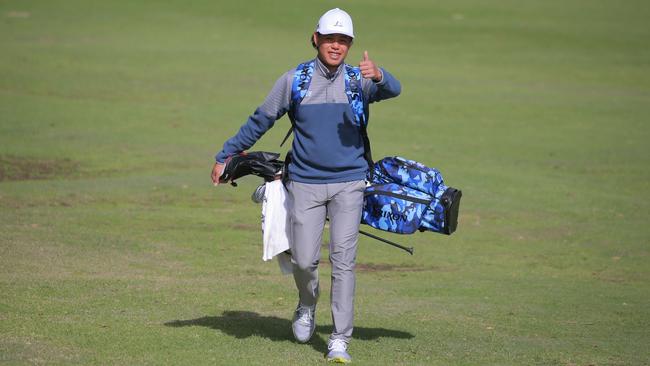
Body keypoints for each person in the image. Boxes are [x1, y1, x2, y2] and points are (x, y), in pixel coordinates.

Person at [211, 8, 401, 363]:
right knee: (303, 261)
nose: (336, 46)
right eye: (330, 39)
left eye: (343, 41)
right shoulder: (293, 81)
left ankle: (340, 340)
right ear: (316, 39)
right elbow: (261, 120)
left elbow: (395, 89)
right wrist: (226, 155)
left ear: (350, 45)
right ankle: (306, 305)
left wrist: (381, 75)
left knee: (344, 262)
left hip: (349, 184)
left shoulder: (359, 80)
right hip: (305, 184)